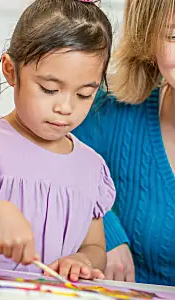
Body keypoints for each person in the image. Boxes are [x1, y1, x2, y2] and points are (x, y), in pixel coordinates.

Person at [0, 0, 115, 282]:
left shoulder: (91, 167)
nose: (65, 107)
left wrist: (82, 259)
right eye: (49, 89)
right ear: (10, 70)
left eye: (84, 94)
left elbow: (95, 247)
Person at [73, 0, 175, 286]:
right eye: (174, 36)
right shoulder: (106, 113)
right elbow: (44, 164)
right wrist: (102, 230)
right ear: (147, 39)